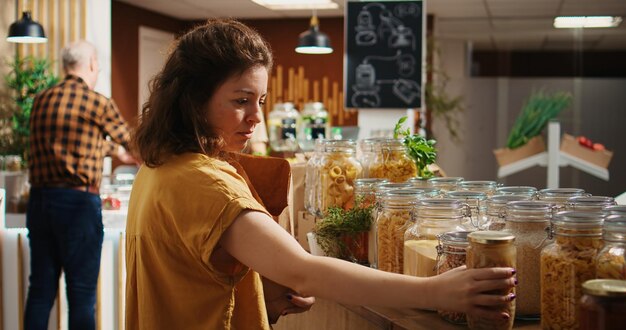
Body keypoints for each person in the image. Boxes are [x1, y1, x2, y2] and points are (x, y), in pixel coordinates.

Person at [126, 19, 516, 329]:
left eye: (260, 100)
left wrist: (257, 288)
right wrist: (436, 292)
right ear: (193, 100)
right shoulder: (206, 182)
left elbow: (184, 273)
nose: (256, 117)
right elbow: (303, 271)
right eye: (241, 101)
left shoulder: (158, 169)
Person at [26, 40, 137, 329]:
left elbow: (65, 145)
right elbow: (134, 143)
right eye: (97, 65)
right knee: (81, 294)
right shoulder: (96, 102)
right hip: (77, 206)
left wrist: (111, 152)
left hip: (39, 202)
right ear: (91, 65)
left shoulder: (42, 100)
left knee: (39, 291)